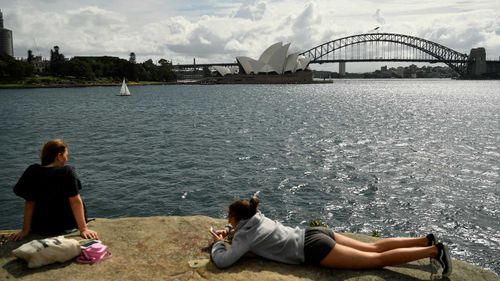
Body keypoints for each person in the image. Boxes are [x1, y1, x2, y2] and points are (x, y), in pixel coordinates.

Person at [210, 195, 452, 277]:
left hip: (313, 250)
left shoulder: (246, 236)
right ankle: (424, 240)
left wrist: (218, 244)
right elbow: (246, 231)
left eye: (228, 217)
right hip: (314, 233)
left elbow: (223, 261)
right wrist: (230, 231)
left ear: (237, 217)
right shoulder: (258, 217)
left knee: (377, 261)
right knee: (375, 247)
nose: (227, 219)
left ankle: (435, 251)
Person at [11, 139, 98, 241]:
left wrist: (25, 230)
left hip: (40, 228)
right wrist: (83, 229)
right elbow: (75, 202)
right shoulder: (67, 171)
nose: (67, 158)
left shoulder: (32, 170)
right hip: (66, 227)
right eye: (66, 155)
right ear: (59, 156)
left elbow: (29, 203)